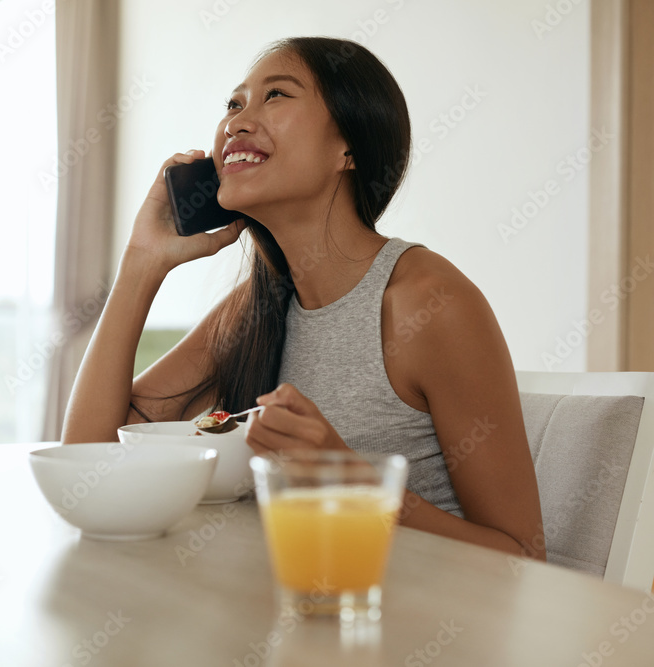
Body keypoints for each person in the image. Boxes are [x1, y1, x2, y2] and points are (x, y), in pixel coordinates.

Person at [61, 36, 545, 560]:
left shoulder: (429, 303)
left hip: (410, 625)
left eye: (276, 96)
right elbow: (91, 462)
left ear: (349, 149)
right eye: (233, 103)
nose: (237, 123)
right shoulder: (257, 306)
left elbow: (522, 556)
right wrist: (141, 263)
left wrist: (350, 479)